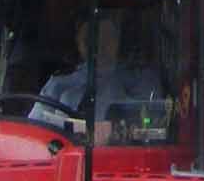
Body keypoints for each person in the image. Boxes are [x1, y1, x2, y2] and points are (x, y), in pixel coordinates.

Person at [32, 14, 163, 137]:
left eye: (106, 37)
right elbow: (34, 128)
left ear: (118, 40)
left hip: (117, 156)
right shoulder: (59, 82)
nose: (98, 46)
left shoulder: (139, 78)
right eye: (89, 39)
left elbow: (152, 129)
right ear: (78, 43)